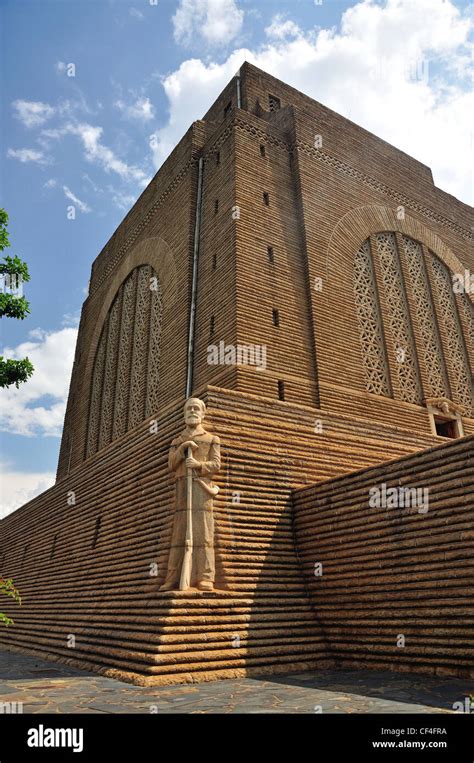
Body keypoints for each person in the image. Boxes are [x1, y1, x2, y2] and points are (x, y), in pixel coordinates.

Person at [160, 397, 220, 591]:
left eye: (196, 408)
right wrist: (183, 449)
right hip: (182, 489)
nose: (192, 411)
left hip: (202, 489)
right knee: (179, 532)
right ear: (184, 414)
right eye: (189, 409)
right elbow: (171, 464)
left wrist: (198, 465)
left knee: (204, 533)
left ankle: (206, 576)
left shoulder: (211, 439)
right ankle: (173, 576)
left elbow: (216, 464)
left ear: (203, 413)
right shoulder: (177, 440)